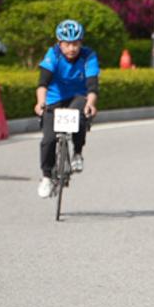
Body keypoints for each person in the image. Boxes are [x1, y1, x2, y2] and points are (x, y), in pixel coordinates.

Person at [34, 19, 99, 198]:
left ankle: (77, 153)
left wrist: (91, 104)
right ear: (59, 43)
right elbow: (43, 83)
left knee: (79, 116)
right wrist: (40, 102)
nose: (72, 48)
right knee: (48, 140)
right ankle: (47, 177)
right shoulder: (53, 54)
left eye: (76, 43)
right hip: (54, 99)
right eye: (67, 44)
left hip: (77, 97)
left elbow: (93, 86)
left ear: (81, 43)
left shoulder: (89, 56)